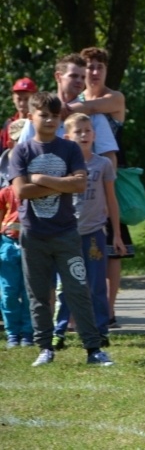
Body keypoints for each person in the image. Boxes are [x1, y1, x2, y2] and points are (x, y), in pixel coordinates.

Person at [9, 91, 113, 366]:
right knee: (39, 294)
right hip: (34, 234)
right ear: (31, 116)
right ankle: (45, 348)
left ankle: (94, 349)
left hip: (67, 233)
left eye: (55, 116)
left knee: (78, 289)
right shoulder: (21, 151)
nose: (50, 120)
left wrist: (41, 178)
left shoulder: (69, 149)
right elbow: (21, 191)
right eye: (44, 115)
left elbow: (80, 184)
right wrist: (61, 181)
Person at [67, 47, 133, 329]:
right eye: (89, 67)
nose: (94, 72)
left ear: (106, 70)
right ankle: (79, 311)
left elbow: (93, 108)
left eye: (99, 67)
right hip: (80, 177)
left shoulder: (114, 98)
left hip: (109, 175)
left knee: (112, 249)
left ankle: (110, 307)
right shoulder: (76, 100)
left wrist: (64, 107)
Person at [52, 113, 126, 350]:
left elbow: (112, 200)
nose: (84, 135)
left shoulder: (102, 164)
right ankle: (59, 331)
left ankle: (100, 330)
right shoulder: (62, 166)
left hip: (94, 233)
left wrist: (116, 233)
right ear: (67, 137)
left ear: (94, 135)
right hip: (67, 234)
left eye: (87, 131)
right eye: (78, 132)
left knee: (96, 284)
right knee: (67, 284)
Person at [18, 54, 118, 165]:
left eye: (83, 77)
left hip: (82, 179)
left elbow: (109, 156)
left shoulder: (94, 116)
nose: (80, 81)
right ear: (58, 77)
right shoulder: (39, 112)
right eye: (74, 76)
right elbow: (21, 152)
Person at [0, 120, 33, 348]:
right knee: (9, 291)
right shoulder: (4, 193)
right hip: (7, 244)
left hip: (31, 243)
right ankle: (12, 332)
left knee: (30, 290)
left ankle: (28, 333)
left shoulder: (35, 191)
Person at [1, 77, 37, 150]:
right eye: (19, 99)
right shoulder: (9, 124)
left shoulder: (39, 122)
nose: (22, 103)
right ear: (13, 99)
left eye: (26, 99)